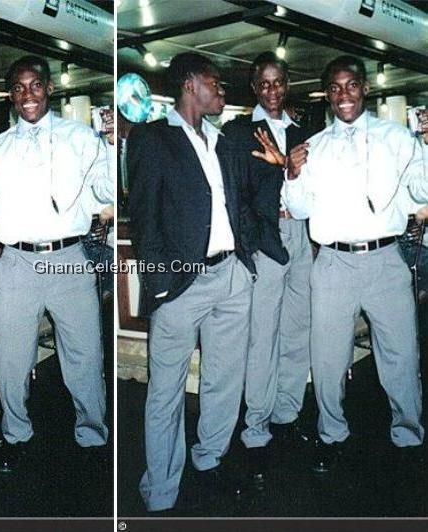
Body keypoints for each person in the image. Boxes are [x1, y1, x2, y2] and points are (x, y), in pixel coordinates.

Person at [0, 55, 113, 473]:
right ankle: (15, 433)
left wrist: (112, 146)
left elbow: (105, 192)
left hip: (69, 260)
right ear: (10, 96)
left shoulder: (81, 138)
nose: (27, 94)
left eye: (34, 85)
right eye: (18, 87)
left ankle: (93, 433)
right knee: (11, 358)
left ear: (49, 88)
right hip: (16, 263)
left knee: (85, 354)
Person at [128, 52, 262, 512]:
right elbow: (144, 218)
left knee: (224, 380)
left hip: (231, 277)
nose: (221, 90)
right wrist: (162, 286)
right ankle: (161, 488)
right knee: (165, 391)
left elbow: (237, 204)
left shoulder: (221, 140)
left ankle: (209, 459)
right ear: (190, 85)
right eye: (214, 82)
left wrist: (246, 261)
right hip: (181, 285)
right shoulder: (151, 138)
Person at [284, 55, 428, 473]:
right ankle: (332, 433)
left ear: (365, 88)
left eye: (351, 85)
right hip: (333, 265)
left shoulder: (398, 138)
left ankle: (409, 433)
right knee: (328, 358)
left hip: (386, 261)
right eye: (335, 88)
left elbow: (421, 191)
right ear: (327, 95)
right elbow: (299, 208)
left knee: (401, 355)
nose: (343, 94)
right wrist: (292, 175)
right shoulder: (314, 148)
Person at [221, 52, 312, 484]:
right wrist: (251, 245)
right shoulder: (239, 132)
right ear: (254, 87)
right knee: (262, 339)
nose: (272, 90)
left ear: (287, 84)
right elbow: (233, 195)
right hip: (266, 239)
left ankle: (286, 414)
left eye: (278, 82)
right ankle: (255, 428)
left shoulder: (303, 132)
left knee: (297, 331)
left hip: (302, 236)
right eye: (264, 84)